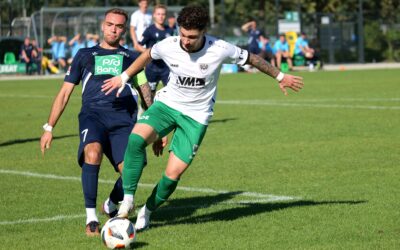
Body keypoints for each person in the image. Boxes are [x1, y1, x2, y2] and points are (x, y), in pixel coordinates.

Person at [101, 5, 303, 231]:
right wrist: (124, 76)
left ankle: (147, 211)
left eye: (192, 37)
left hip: (196, 117)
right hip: (167, 105)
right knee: (136, 140)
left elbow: (252, 59)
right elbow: (147, 55)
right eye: (183, 35)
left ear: (204, 32)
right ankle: (127, 201)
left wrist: (280, 76)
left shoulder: (220, 48)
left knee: (172, 175)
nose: (186, 41)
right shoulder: (168, 45)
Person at [40, 8, 152, 236]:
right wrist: (49, 127)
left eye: (119, 26)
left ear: (124, 29)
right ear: (103, 25)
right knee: (92, 153)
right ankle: (91, 218)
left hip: (123, 120)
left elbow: (144, 90)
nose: (114, 29)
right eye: (110, 24)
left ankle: (110, 203)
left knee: (132, 169)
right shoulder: (84, 54)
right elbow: (64, 93)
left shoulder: (132, 58)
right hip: (94, 116)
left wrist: (156, 126)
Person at [137, 4, 174, 99]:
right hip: (152, 68)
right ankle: (145, 113)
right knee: (149, 97)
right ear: (154, 15)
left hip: (167, 68)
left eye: (163, 14)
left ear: (165, 15)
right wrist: (150, 53)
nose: (161, 16)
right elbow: (138, 46)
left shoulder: (170, 30)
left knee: (171, 94)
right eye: (158, 14)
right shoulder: (149, 30)